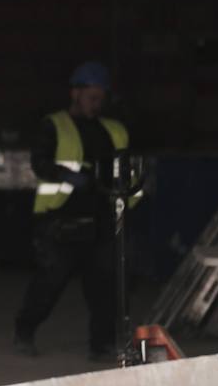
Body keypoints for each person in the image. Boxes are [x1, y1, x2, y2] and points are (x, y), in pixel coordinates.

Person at [13, 61, 132, 361]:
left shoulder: (114, 131)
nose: (97, 103)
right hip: (60, 218)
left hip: (101, 219)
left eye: (100, 98)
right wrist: (66, 175)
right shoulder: (54, 125)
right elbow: (39, 162)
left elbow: (125, 171)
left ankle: (101, 345)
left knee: (104, 287)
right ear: (75, 94)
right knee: (50, 281)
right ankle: (24, 332)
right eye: (92, 97)